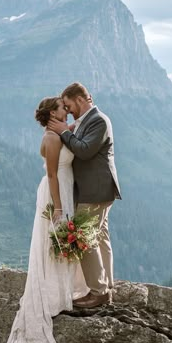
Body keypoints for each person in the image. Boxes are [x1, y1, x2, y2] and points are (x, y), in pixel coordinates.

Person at [0, 96, 88, 343]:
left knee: (60, 245)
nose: (66, 110)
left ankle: (62, 289)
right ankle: (53, 292)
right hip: (54, 193)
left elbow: (75, 127)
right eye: (62, 107)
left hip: (64, 189)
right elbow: (51, 173)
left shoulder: (58, 130)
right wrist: (58, 207)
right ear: (51, 114)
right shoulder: (50, 137)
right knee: (55, 244)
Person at [47, 82, 121, 308]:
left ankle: (98, 291)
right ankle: (107, 286)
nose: (67, 111)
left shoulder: (98, 120)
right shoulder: (87, 121)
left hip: (95, 190)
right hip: (96, 189)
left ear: (80, 99)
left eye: (69, 105)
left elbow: (85, 150)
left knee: (83, 238)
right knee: (100, 238)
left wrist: (62, 133)